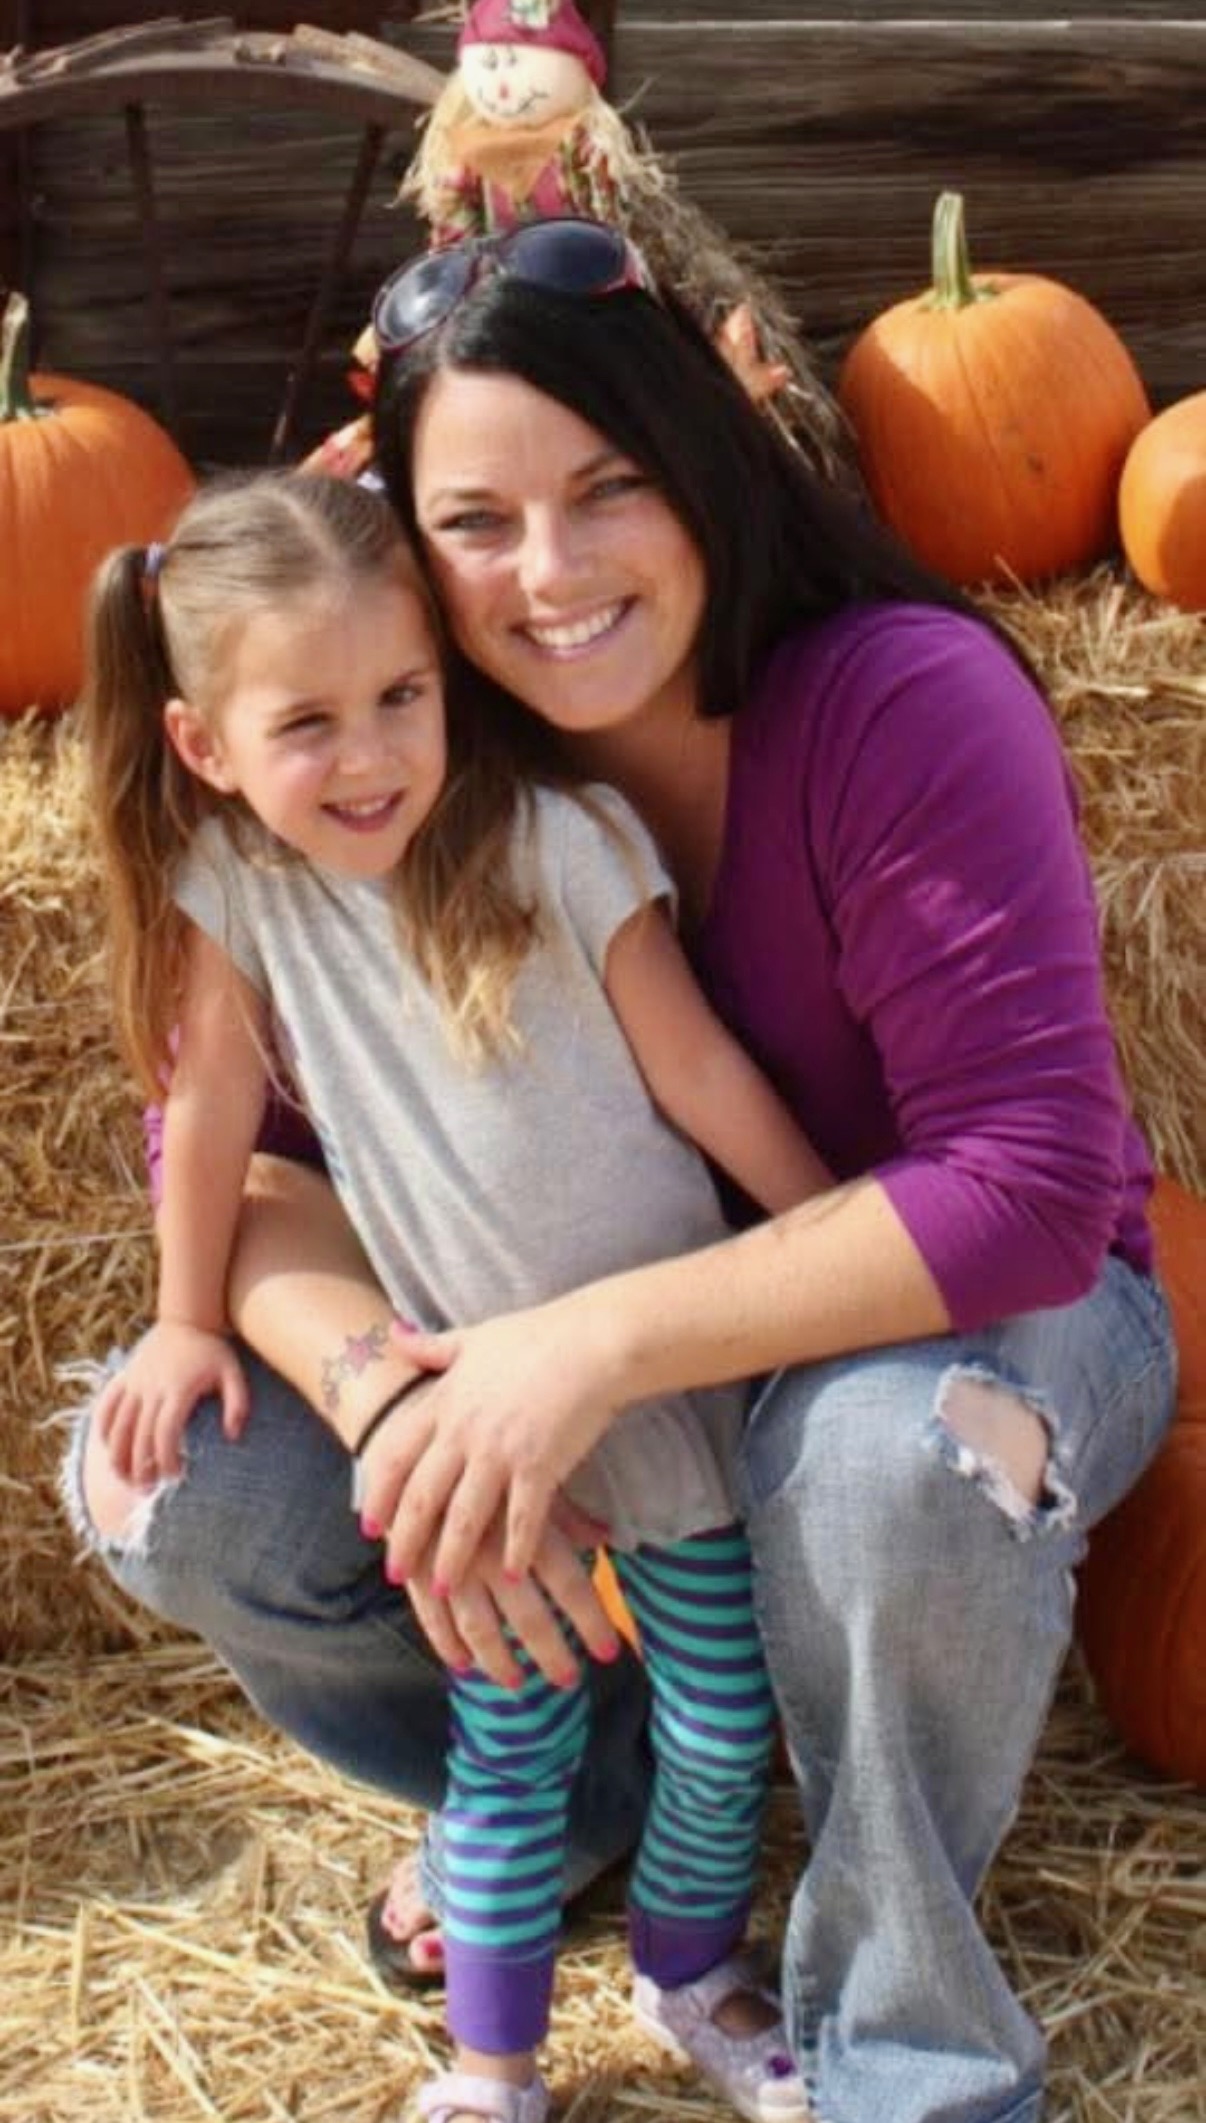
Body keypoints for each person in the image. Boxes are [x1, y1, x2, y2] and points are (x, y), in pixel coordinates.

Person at [65, 218, 1176, 2123]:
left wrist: (573, 1353)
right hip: (569, 1402)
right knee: (171, 1486)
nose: (550, 573)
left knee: (884, 1467)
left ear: (704, 463)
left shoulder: (895, 700)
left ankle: (902, 2038)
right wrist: (390, 1389)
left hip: (944, 1324)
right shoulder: (403, 753)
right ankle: (600, 1796)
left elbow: (1032, 1193)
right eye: (474, 520)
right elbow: (229, 1158)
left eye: (607, 490)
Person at [79, 464, 832, 2123]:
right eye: (309, 723)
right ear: (206, 745)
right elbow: (202, 1119)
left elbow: (696, 1073)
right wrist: (189, 1315)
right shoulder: (240, 897)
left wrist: (831, 1238)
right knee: (512, 1749)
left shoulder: (563, 841)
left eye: (402, 697)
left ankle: (688, 1972)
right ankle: (493, 2071)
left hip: (668, 1393)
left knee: (721, 1723)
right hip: (475, 1432)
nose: (370, 756)